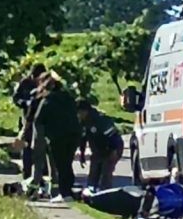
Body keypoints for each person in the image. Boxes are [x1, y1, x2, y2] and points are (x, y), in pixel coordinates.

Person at [35, 73, 82, 202]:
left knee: (60, 166)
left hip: (57, 137)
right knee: (67, 163)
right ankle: (68, 191)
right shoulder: (69, 98)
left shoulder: (47, 100)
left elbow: (37, 120)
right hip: (74, 134)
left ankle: (64, 193)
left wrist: (40, 139)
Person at [77, 99, 124, 192]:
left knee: (105, 175)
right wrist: (82, 155)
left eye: (79, 112)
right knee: (93, 174)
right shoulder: (84, 122)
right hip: (98, 151)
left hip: (111, 149)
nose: (78, 115)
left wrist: (114, 152)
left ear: (85, 111)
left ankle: (105, 194)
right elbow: (83, 138)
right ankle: (91, 193)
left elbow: (113, 136)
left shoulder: (100, 120)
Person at [12, 63, 47, 186]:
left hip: (42, 121)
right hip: (27, 118)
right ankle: (27, 174)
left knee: (41, 149)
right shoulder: (25, 83)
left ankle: (42, 176)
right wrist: (25, 103)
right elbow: (16, 98)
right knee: (26, 147)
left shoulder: (46, 84)